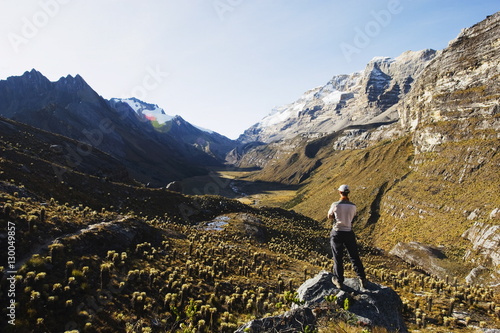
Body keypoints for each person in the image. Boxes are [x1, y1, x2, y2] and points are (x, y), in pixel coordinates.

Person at [327, 184, 368, 289]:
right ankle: (362, 278)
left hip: (337, 232)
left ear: (340, 192)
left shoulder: (335, 205)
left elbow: (329, 216)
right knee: (354, 256)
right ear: (348, 193)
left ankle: (339, 281)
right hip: (349, 232)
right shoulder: (353, 206)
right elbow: (353, 217)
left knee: (338, 257)